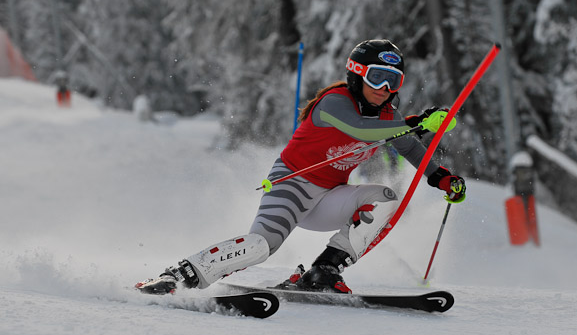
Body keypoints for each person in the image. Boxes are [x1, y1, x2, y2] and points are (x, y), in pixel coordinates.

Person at [137, 39, 466, 295]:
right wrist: (417, 122)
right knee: (260, 246)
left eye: (392, 81)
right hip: (291, 185)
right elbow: (361, 130)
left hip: (329, 198)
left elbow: (409, 146)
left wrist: (441, 178)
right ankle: (180, 275)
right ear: (356, 74)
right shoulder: (334, 103)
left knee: (386, 197)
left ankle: (323, 271)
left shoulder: (388, 117)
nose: (384, 90)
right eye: (377, 78)